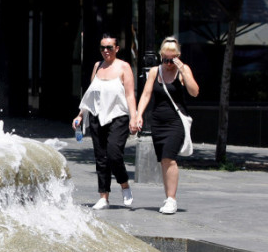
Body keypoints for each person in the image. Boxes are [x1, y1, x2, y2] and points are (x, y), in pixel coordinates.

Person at [73, 34, 139, 210]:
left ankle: (124, 184)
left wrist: (134, 117)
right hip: (97, 116)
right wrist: (80, 115)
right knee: (100, 157)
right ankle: (104, 196)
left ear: (117, 48)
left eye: (109, 47)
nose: (106, 51)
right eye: (102, 48)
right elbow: (90, 94)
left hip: (118, 116)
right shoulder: (97, 66)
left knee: (114, 153)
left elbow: (130, 95)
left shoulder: (124, 67)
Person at [135, 37, 200, 214]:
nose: (168, 63)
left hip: (176, 122)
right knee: (164, 160)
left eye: (172, 59)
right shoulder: (156, 71)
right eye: (165, 59)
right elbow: (146, 94)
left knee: (170, 158)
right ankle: (168, 197)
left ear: (178, 57)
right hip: (158, 122)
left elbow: (194, 92)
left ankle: (172, 199)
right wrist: (138, 114)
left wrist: (183, 72)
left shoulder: (183, 70)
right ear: (161, 56)